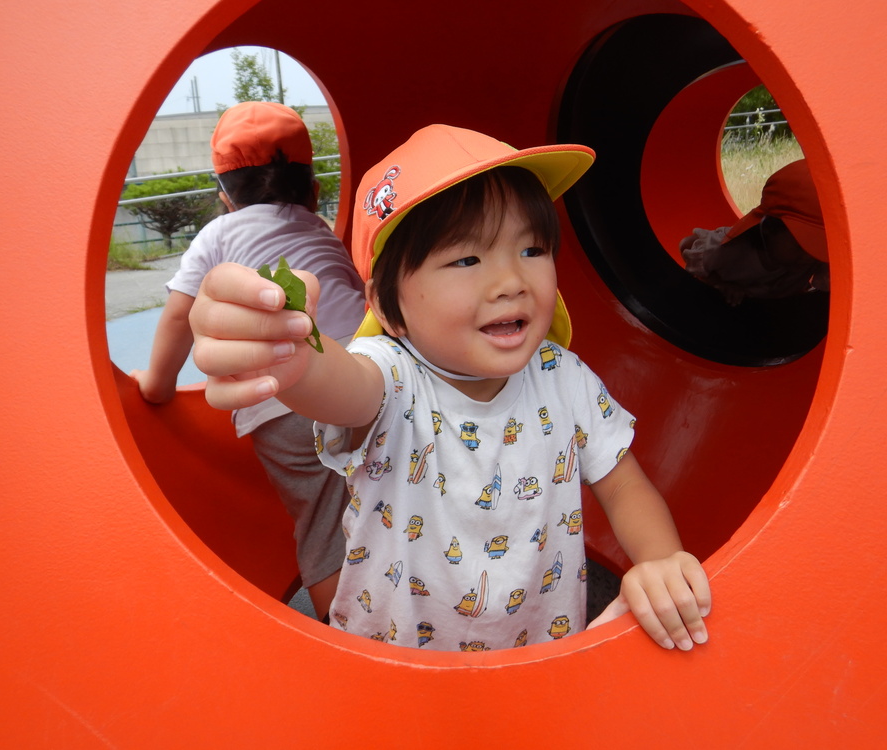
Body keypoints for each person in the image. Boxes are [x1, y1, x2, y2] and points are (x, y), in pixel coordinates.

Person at [188, 124, 711, 652]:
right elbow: (340, 387)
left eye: (532, 249)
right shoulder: (392, 376)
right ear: (390, 306)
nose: (511, 280)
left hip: (536, 654)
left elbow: (623, 485)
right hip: (398, 663)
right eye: (467, 259)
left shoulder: (562, 376)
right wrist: (295, 353)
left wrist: (660, 563)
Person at [130, 101, 366, 619]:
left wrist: (157, 385)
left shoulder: (217, 235)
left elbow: (177, 317)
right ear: (315, 191)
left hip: (281, 403)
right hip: (364, 379)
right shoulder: (323, 233)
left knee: (324, 520)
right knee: (382, 500)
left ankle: (348, 630)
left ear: (224, 197)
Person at [680, 159, 829, 305]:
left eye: (817, 246)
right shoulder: (733, 249)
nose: (808, 256)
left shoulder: (812, 258)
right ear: (769, 228)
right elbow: (686, 243)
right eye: (801, 245)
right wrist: (718, 283)